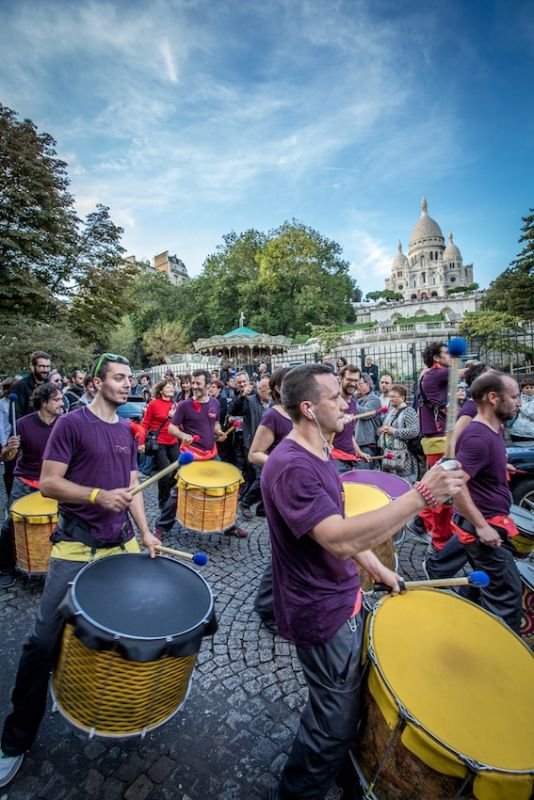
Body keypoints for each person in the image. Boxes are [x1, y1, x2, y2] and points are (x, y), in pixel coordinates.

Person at [260, 364, 464, 800]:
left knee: (344, 702)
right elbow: (335, 540)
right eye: (336, 396)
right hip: (319, 611)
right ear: (310, 408)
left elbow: (344, 522)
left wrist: (381, 571)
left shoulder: (320, 453)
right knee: (333, 722)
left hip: (342, 599)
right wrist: (420, 496)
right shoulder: (293, 465)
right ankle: (299, 791)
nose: (347, 403)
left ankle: (337, 770)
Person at [0, 353, 159, 789]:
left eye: (130, 378)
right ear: (96, 382)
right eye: (119, 378)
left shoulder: (126, 429)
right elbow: (50, 482)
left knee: (122, 630)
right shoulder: (71, 424)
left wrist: (145, 533)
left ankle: (102, 700)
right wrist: (94, 495)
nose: (128, 384)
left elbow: (131, 488)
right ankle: (14, 741)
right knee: (41, 641)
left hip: (121, 543)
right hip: (74, 546)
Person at [452, 372, 523, 632]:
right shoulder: (477, 438)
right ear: (493, 398)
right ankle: (504, 658)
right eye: (514, 397)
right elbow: (456, 485)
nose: (519, 403)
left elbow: (476, 469)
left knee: (486, 589)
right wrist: (482, 526)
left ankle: (468, 630)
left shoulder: (495, 428)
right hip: (483, 531)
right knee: (506, 595)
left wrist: (500, 465)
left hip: (491, 525)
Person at [153, 370, 247, 539]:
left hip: (211, 453)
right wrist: (183, 436)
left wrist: (218, 431)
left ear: (208, 385)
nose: (194, 386)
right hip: (190, 455)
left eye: (198, 383)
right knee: (179, 491)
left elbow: (215, 422)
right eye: (193, 383)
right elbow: (171, 428)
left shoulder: (215, 404)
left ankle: (229, 525)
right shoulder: (184, 405)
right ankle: (161, 527)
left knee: (224, 489)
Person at [0, 383, 64, 589]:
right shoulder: (23, 424)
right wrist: (9, 449)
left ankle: (62, 565)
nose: (61, 403)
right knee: (11, 523)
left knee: (66, 524)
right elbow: (6, 456)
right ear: (43, 403)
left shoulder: (65, 423)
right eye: (56, 399)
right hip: (26, 483)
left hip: (54, 482)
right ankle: (6, 568)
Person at [141, 380, 178, 508]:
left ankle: (172, 496)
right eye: (168, 387)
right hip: (159, 442)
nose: (171, 389)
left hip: (173, 441)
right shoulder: (153, 404)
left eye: (172, 387)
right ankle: (164, 502)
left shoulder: (175, 405)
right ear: (161, 390)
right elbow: (145, 423)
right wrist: (141, 442)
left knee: (177, 470)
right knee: (166, 471)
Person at [330, 365, 370, 473]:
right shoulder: (331, 401)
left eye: (356, 380)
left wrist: (359, 451)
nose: (353, 383)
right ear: (340, 378)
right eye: (349, 379)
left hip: (349, 457)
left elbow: (348, 433)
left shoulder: (353, 403)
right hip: (335, 458)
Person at [377, 384, 420, 484]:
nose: (391, 399)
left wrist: (394, 431)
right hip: (389, 455)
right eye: (389, 396)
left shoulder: (409, 411)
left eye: (393, 397)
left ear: (403, 397)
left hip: (404, 458)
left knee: (404, 484)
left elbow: (414, 431)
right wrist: (381, 430)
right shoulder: (390, 413)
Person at [10, 351, 51, 420]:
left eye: (48, 366)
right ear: (32, 366)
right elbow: (15, 415)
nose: (46, 370)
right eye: (42, 366)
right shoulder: (20, 386)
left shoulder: (51, 386)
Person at [354, 373, 381, 467]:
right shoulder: (359, 399)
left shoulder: (374, 399)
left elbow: (364, 414)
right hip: (359, 443)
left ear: (368, 384)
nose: (357, 386)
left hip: (367, 444)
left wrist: (350, 401)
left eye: (359, 383)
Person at [510, 376, 534, 442]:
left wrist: (521, 407)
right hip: (516, 433)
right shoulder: (517, 399)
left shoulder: (520, 403)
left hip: (531, 434)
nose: (529, 389)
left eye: (531, 387)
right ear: (522, 389)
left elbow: (532, 415)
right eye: (526, 388)